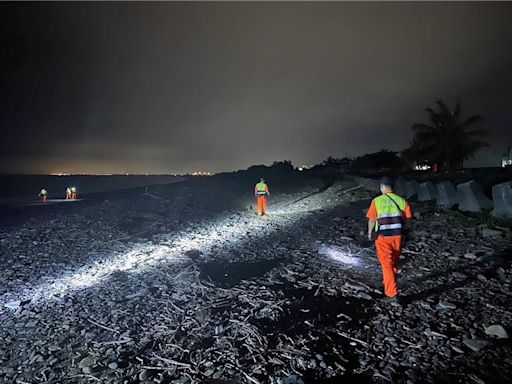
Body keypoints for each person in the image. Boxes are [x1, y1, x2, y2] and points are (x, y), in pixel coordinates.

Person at [366, 177, 412, 303]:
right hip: (397, 236)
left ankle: (392, 294)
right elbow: (408, 220)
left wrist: (370, 232)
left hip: (383, 237)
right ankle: (388, 282)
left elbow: (372, 219)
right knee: (393, 263)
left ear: (382, 187)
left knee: (386, 264)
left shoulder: (377, 201)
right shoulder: (401, 200)